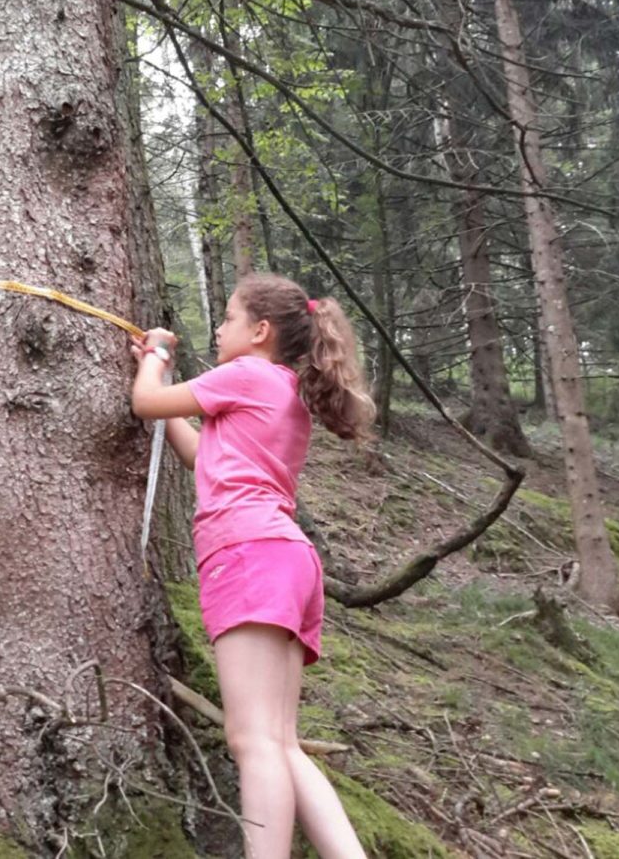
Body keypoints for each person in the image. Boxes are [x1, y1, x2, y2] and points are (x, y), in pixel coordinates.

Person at [131, 274, 375, 859]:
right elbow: (200, 455)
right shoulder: (284, 390)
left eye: (229, 317)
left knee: (253, 740)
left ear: (260, 331)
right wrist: (168, 394)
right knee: (282, 743)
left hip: (247, 554)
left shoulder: (244, 374)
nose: (217, 328)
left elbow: (144, 402)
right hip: (285, 557)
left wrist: (156, 357)